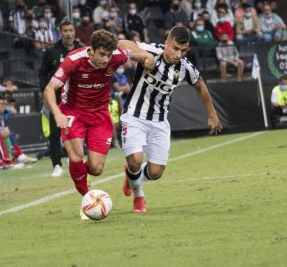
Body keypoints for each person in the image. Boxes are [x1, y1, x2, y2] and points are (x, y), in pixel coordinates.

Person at [43, 29, 153, 218]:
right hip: (73, 112)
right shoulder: (73, 60)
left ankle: (78, 174)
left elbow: (130, 50)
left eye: (108, 55)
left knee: (96, 168)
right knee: (76, 156)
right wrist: (57, 113)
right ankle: (88, 199)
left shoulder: (115, 58)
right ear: (91, 50)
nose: (105, 59)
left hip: (100, 115)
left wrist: (145, 57)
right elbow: (49, 89)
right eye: (101, 54)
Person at [117, 26, 222, 213]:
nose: (178, 54)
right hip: (134, 116)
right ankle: (138, 196)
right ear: (167, 43)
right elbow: (121, 43)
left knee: (155, 173)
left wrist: (212, 114)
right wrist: (143, 55)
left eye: (183, 50)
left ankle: (132, 176)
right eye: (175, 48)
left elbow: (200, 86)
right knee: (135, 159)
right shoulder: (152, 51)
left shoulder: (185, 68)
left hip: (159, 122)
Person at [39, 20, 83, 177]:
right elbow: (42, 73)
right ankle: (56, 164)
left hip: (78, 96)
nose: (68, 33)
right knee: (55, 131)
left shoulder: (82, 49)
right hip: (57, 98)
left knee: (77, 129)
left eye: (71, 30)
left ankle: (75, 158)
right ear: (60, 32)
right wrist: (45, 92)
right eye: (65, 30)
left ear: (74, 32)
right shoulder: (51, 52)